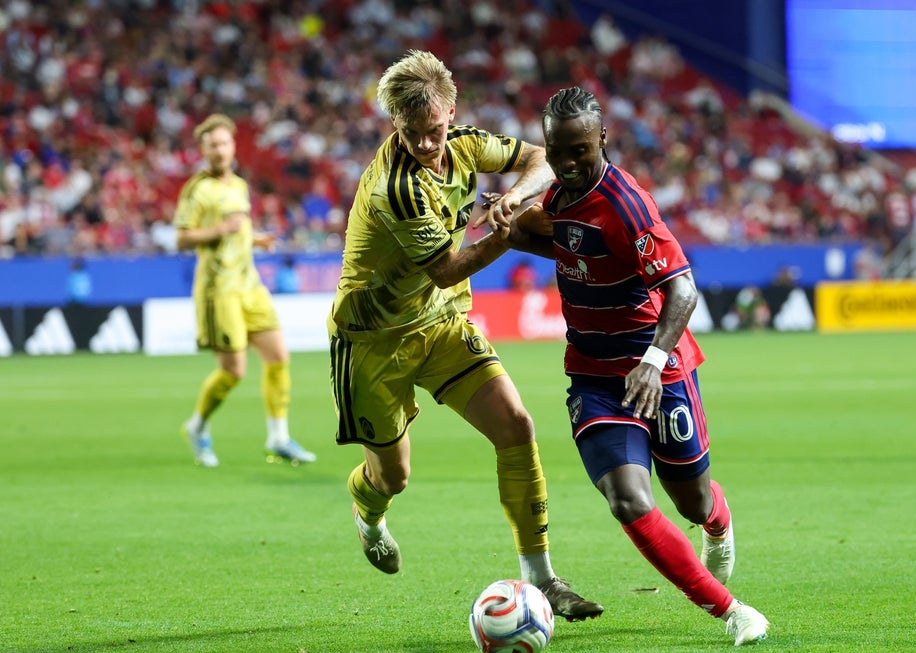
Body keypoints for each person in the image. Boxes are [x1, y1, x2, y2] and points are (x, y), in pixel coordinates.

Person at [327, 51, 601, 621]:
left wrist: (515, 197)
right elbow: (449, 269)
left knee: (516, 425)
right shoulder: (396, 189)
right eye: (411, 133)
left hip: (440, 323)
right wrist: (507, 230)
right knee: (393, 477)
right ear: (395, 124)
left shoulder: (466, 144)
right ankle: (367, 508)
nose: (425, 144)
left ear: (451, 112)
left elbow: (540, 158)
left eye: (434, 130)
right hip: (372, 340)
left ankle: (543, 579)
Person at [506, 86, 769, 644]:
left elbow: (683, 290)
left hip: (658, 370)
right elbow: (543, 236)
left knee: (692, 502)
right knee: (627, 499)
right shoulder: (558, 197)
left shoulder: (627, 204)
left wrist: (652, 360)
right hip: (594, 376)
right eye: (558, 152)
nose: (568, 163)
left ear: (602, 138)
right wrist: (505, 217)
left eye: (580, 150)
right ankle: (733, 612)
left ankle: (718, 521)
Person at [173, 113, 316, 467]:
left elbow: (238, 229)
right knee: (234, 371)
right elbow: (182, 238)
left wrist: (255, 238)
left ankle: (278, 437)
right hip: (218, 289)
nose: (219, 150)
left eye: (224, 143)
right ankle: (197, 426)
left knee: (278, 357)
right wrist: (221, 229)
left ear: (233, 146)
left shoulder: (238, 185)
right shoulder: (198, 189)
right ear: (203, 150)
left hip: (250, 285)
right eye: (212, 145)